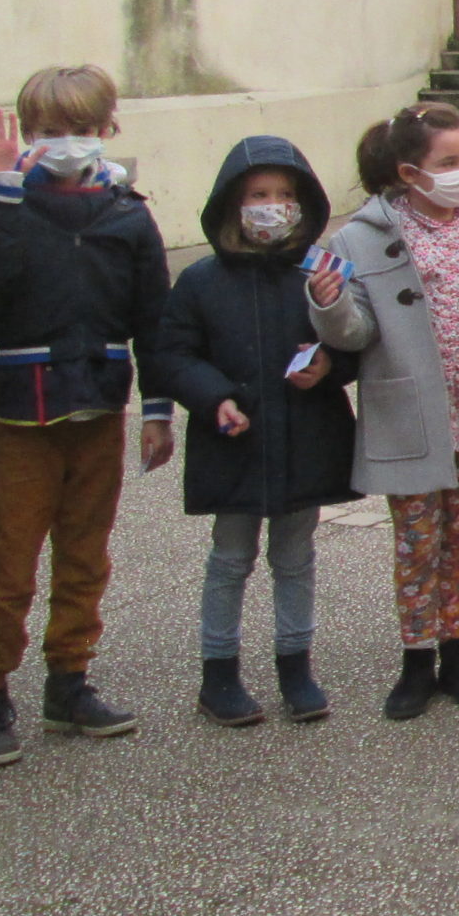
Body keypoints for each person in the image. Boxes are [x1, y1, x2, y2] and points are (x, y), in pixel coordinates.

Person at [0, 66, 172, 767]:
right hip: (26, 412)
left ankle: (69, 680)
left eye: (80, 128)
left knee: (85, 557)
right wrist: (0, 184)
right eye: (50, 130)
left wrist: (158, 410)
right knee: (9, 562)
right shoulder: (12, 201)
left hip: (100, 405)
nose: (66, 141)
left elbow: (153, 320)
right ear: (29, 134)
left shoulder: (128, 211)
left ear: (106, 128)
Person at [308, 103, 459, 722]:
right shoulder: (362, 237)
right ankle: (417, 659)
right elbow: (355, 331)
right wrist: (328, 305)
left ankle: (457, 651)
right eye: (448, 162)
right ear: (409, 172)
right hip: (412, 415)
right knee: (417, 540)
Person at [145, 138, 356, 726]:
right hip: (233, 442)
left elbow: (357, 337)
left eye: (285, 194)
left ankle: (296, 666)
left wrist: (331, 366)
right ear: (232, 204)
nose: (273, 205)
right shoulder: (201, 281)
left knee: (295, 556)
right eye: (259, 194)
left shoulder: (321, 272)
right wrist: (214, 397)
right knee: (230, 557)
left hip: (307, 437)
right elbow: (174, 353)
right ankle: (219, 674)